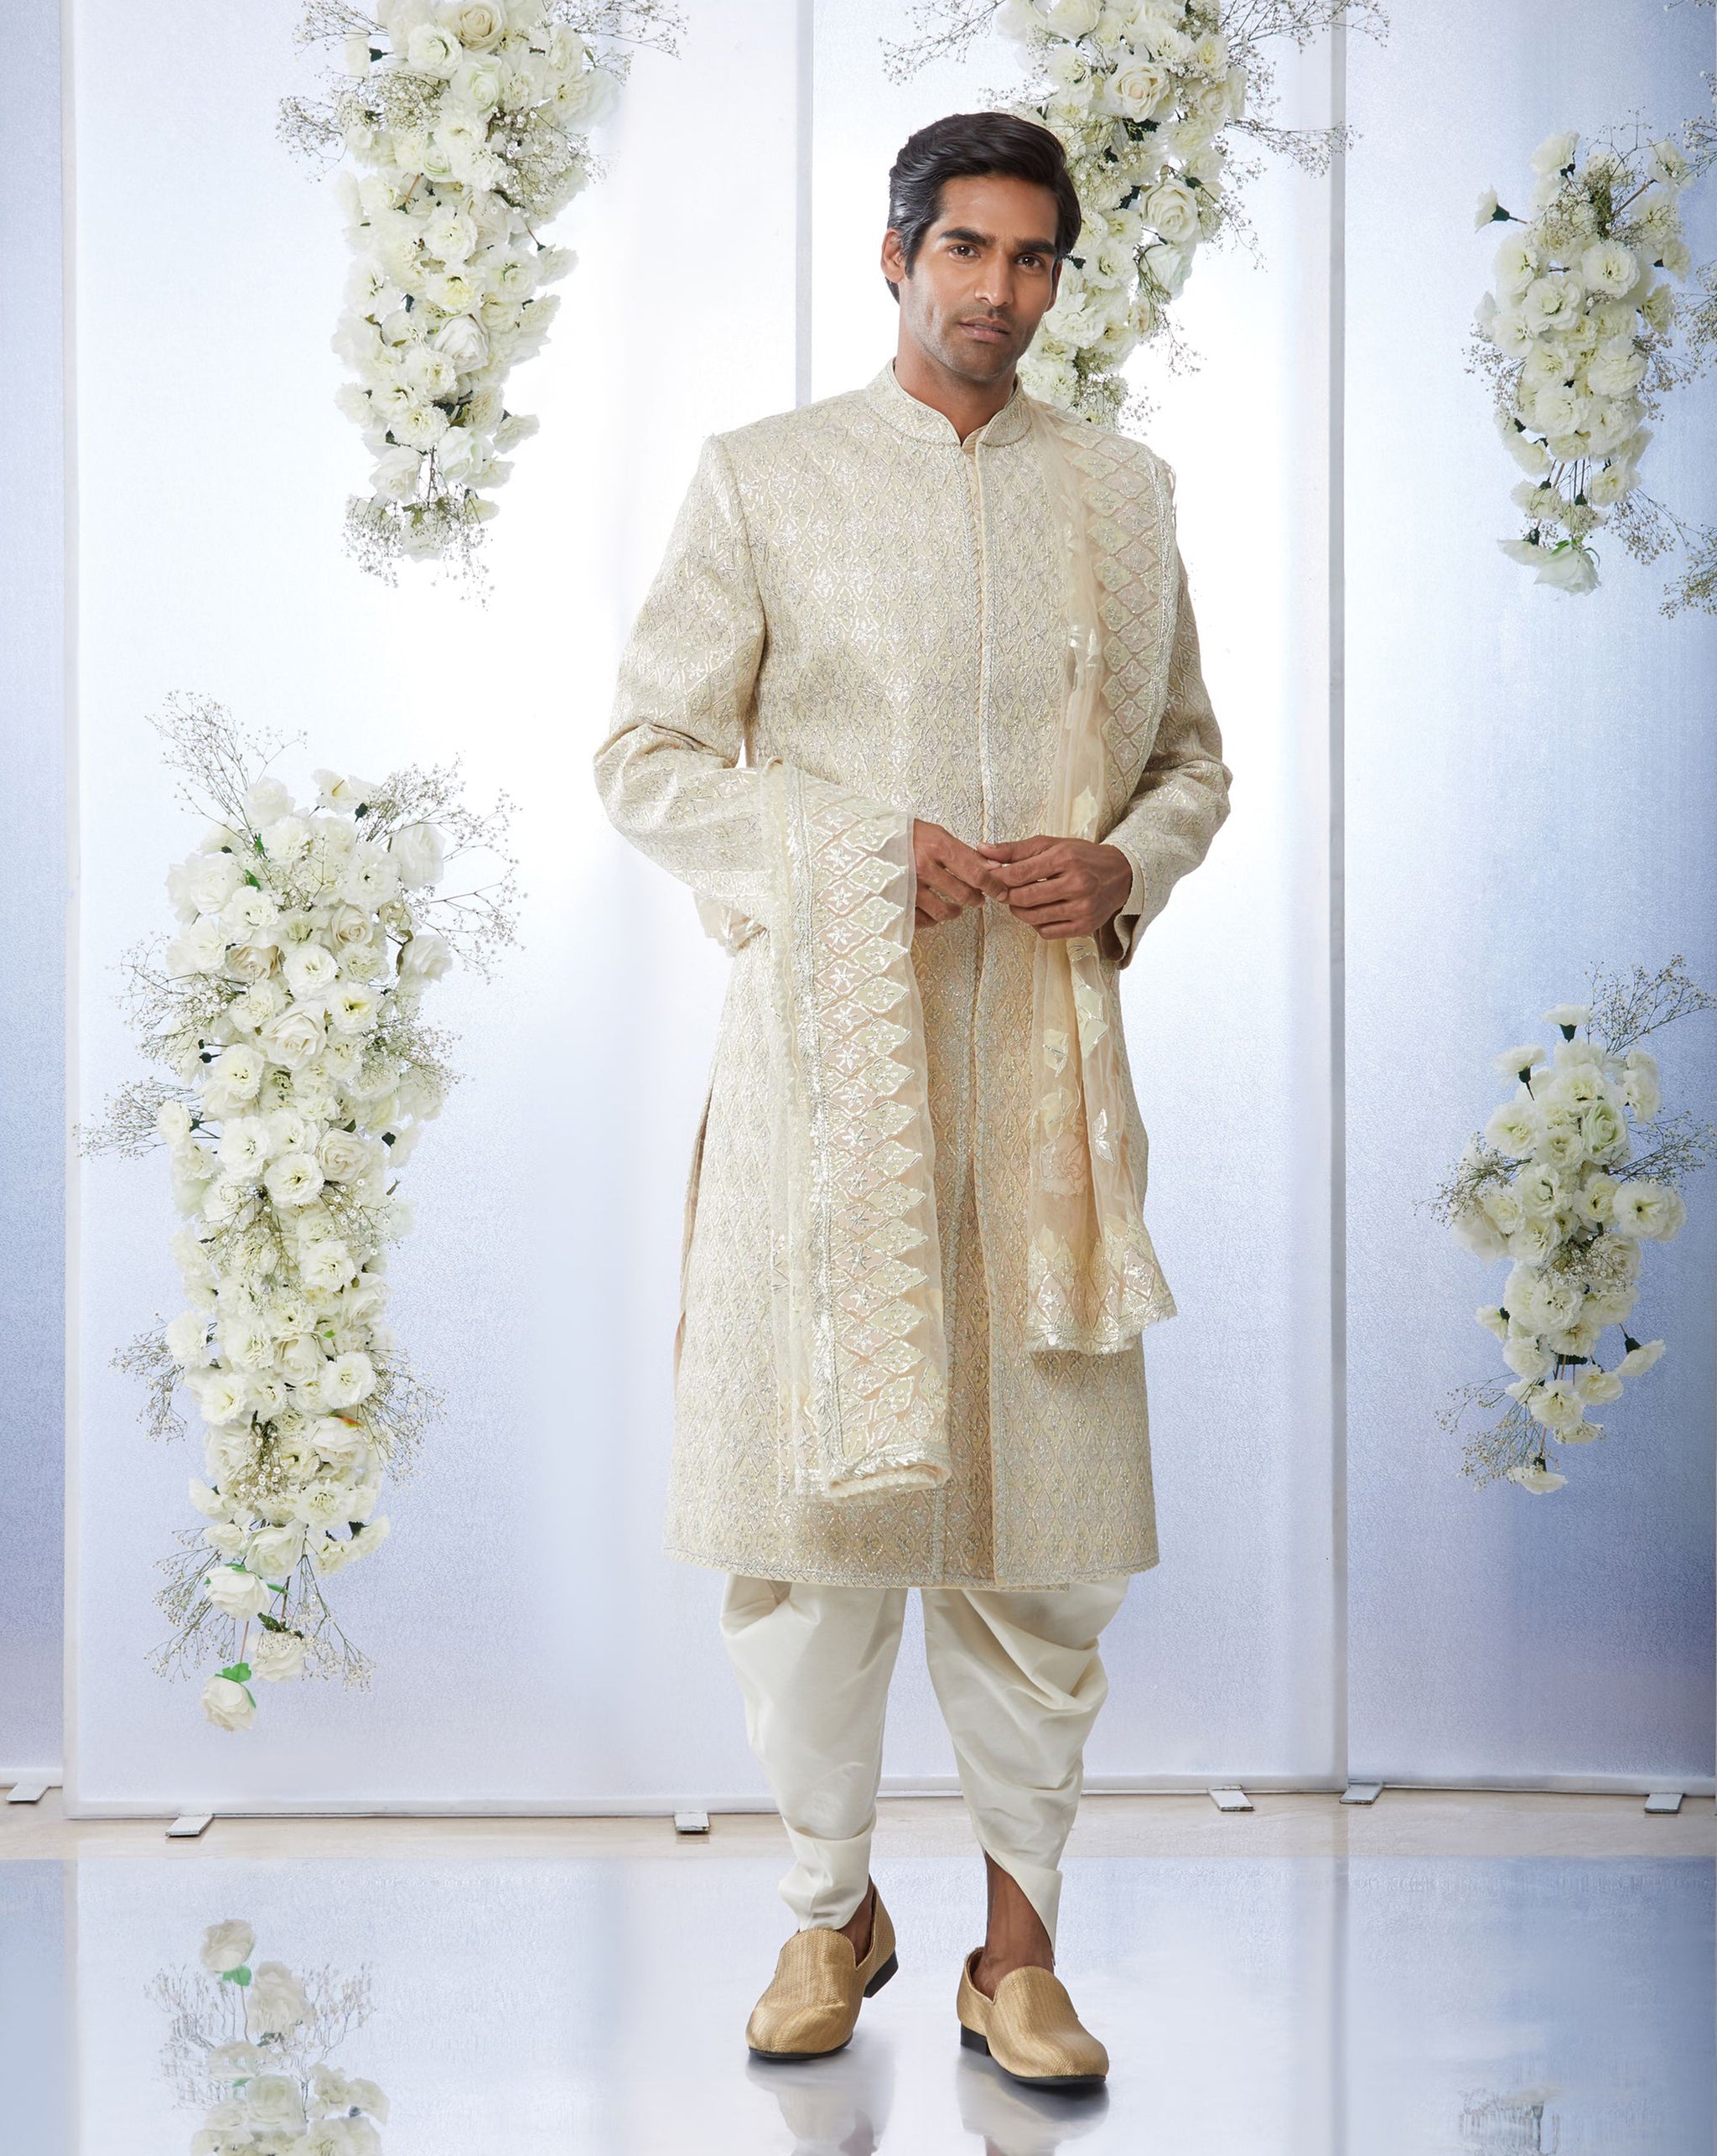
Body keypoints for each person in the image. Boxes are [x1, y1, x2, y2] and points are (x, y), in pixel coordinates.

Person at [594, 109, 1231, 2091]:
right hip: (828, 1080)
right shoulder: (766, 479)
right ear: (894, 258)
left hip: (1041, 1074)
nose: (998, 292)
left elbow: (1190, 760)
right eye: (964, 250)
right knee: (815, 1528)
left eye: (1033, 259)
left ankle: (1016, 1953)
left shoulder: (1119, 493)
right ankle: (826, 1906)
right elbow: (647, 754)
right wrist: (858, 853)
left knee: (1040, 1540)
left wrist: (1120, 864)